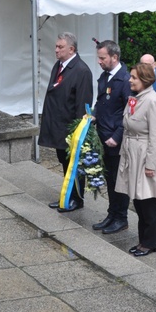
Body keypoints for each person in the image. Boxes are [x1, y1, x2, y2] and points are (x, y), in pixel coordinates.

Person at [117, 63, 156, 257]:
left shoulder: (153, 101)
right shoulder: (136, 98)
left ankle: (150, 242)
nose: (130, 80)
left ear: (145, 79)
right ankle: (143, 240)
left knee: (148, 201)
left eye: (134, 77)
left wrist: (150, 165)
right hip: (133, 152)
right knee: (139, 200)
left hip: (146, 154)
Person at [40, 32, 94, 212]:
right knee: (64, 162)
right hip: (58, 125)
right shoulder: (60, 65)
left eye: (60, 47)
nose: (56, 50)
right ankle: (66, 195)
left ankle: (77, 199)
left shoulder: (81, 70)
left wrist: (78, 131)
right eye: (56, 46)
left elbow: (82, 104)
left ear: (71, 49)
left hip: (70, 128)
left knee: (74, 164)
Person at [91, 40, 132, 234]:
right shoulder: (105, 77)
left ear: (114, 57)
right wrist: (94, 115)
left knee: (119, 180)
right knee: (109, 178)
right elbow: (101, 103)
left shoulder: (125, 80)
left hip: (117, 139)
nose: (99, 61)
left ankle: (121, 217)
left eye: (102, 58)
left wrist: (117, 135)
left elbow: (129, 112)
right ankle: (112, 213)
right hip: (104, 137)